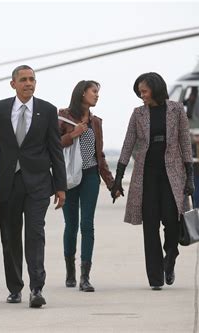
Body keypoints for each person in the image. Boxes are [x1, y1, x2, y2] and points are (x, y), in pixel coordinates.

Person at [0, 65, 67, 308]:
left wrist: (61, 186)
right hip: (8, 183)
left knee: (35, 234)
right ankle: (15, 288)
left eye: (32, 79)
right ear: (13, 84)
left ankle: (36, 288)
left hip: (38, 184)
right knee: (10, 237)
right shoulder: (0, 109)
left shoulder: (47, 110)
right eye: (23, 80)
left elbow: (56, 149)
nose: (28, 83)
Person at [111, 72, 194, 290]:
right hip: (146, 175)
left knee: (172, 220)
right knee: (150, 225)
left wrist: (190, 175)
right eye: (139, 92)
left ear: (156, 89)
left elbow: (185, 142)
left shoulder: (176, 110)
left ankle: (171, 256)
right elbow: (128, 144)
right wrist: (118, 178)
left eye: (144, 91)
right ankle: (156, 278)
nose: (141, 96)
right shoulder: (138, 114)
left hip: (172, 175)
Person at [58, 80, 115, 292]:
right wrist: (72, 134)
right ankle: (70, 271)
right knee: (71, 225)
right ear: (82, 93)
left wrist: (111, 183)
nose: (97, 96)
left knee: (87, 224)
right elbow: (52, 145)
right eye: (94, 92)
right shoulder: (62, 117)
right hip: (69, 176)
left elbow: (99, 155)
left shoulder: (96, 122)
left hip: (90, 176)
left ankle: (85, 276)